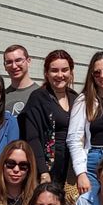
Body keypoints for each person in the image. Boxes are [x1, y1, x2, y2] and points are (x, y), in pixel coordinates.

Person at [20, 49, 78, 194]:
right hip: (48, 168)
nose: (60, 75)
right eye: (54, 70)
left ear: (71, 72)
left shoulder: (75, 98)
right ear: (46, 73)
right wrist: (43, 172)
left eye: (64, 70)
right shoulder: (38, 98)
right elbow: (32, 138)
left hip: (70, 169)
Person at [69, 51, 103, 196]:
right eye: (97, 73)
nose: (102, 76)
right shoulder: (83, 100)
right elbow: (74, 139)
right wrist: (81, 173)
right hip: (93, 159)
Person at [2, 44, 37, 117]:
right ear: (5, 66)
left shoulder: (42, 94)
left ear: (28, 61)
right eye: (9, 62)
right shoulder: (1, 97)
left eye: (18, 60)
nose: (14, 66)